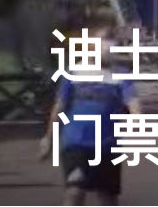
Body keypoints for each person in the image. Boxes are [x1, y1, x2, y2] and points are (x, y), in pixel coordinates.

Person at [40, 14, 141, 206]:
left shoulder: (121, 75)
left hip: (108, 147)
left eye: (112, 40)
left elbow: (133, 103)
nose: (110, 45)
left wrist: (138, 124)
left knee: (107, 198)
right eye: (104, 39)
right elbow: (59, 107)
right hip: (75, 144)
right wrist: (48, 138)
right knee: (74, 191)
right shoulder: (73, 72)